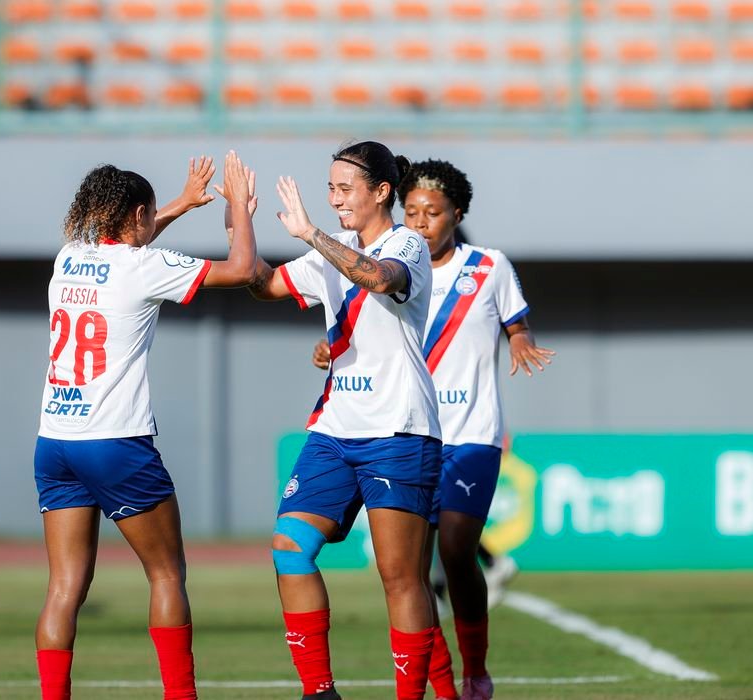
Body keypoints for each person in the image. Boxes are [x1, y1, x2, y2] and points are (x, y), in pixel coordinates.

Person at [312, 159, 554, 700]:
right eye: (414, 211)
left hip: (472, 433)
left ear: (457, 214)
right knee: (410, 574)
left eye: (434, 212)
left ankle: (476, 670)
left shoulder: (488, 267)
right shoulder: (390, 262)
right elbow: (357, 334)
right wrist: (330, 348)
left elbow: (517, 322)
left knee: (456, 549)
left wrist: (519, 341)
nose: (421, 222)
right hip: (411, 431)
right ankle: (442, 686)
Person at [32, 152, 258, 700]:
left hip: (55, 442)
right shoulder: (143, 267)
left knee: (65, 587)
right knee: (166, 574)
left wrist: (180, 202)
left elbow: (130, 239)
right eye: (151, 215)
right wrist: (242, 210)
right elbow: (243, 270)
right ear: (136, 215)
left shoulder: (69, 257)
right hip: (115, 443)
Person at [242, 141, 443, 700]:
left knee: (400, 576)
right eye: (329, 188)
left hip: (398, 431)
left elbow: (379, 279)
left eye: (344, 188)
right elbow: (266, 285)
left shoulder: (408, 242)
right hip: (335, 430)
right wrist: (241, 219)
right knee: (289, 547)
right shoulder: (329, 249)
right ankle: (319, 693)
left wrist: (311, 236)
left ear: (382, 191)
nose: (334, 199)